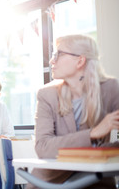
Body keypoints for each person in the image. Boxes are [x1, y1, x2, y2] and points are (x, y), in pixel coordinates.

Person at [27, 34, 119, 188]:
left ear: (80, 60)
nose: (51, 61)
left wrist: (102, 151)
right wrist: (92, 134)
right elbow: (43, 147)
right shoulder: (46, 94)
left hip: (96, 181)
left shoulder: (111, 88)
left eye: (59, 54)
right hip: (50, 182)